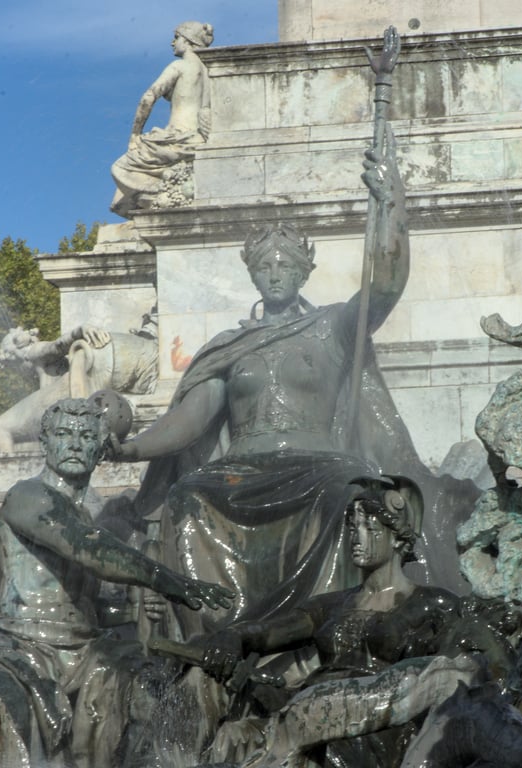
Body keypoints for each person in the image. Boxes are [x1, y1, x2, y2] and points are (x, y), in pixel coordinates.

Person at [111, 127, 463, 641]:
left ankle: (323, 633)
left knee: (345, 496)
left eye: (286, 265)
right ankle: (212, 635)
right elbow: (190, 420)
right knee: (188, 497)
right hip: (241, 470)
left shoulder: (334, 328)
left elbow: (386, 283)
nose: (275, 273)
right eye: (265, 266)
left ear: (304, 272)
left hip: (318, 463)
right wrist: (131, 448)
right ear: (253, 275)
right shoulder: (231, 347)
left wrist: (391, 202)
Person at [0, 396, 233, 768]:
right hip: (22, 646)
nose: (75, 444)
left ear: (101, 450)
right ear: (45, 443)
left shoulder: (82, 513)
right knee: (9, 715)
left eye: (85, 436)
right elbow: (86, 548)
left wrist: (136, 606)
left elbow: (80, 604)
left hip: (85, 650)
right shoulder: (27, 496)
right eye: (63, 434)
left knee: (156, 700)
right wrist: (167, 580)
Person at [193, 476, 477, 768]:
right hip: (310, 712)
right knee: (233, 737)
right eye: (353, 528)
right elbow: (268, 632)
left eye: (370, 528)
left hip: (375, 726)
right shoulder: (332, 604)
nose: (356, 537)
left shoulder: (433, 602)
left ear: (397, 537)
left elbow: (457, 675)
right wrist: (233, 636)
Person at [0, 323, 158, 452]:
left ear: (16, 354)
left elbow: (57, 345)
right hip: (108, 360)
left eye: (14, 365)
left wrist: (80, 331)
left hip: (94, 362)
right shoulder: (48, 374)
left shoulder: (32, 354)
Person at [110, 21, 214, 217]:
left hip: (176, 139)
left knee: (120, 167)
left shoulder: (180, 66)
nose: (172, 43)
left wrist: (135, 134)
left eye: (177, 37)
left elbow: (148, 98)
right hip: (198, 139)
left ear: (189, 40)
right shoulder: (211, 72)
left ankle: (162, 197)